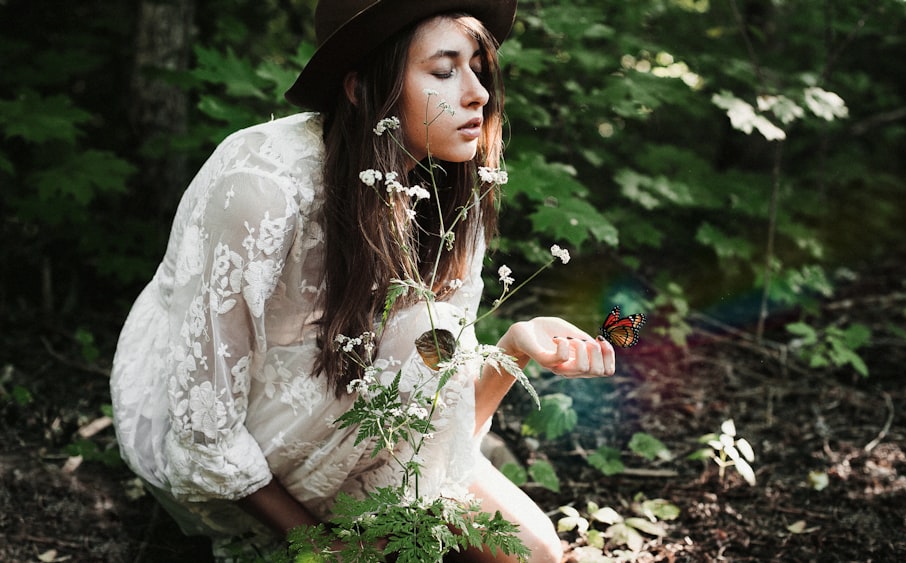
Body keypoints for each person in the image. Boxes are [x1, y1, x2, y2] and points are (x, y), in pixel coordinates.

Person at [110, 0, 616, 561]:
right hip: (230, 446)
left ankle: (373, 524)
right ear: (361, 89)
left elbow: (439, 425)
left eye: (478, 67)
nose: (477, 93)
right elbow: (204, 432)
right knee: (416, 336)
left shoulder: (446, 194)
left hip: (361, 440)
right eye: (444, 71)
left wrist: (513, 351)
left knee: (537, 552)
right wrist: (325, 553)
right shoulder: (263, 190)